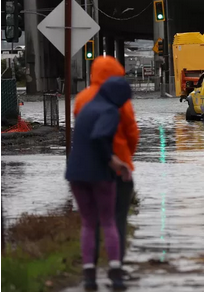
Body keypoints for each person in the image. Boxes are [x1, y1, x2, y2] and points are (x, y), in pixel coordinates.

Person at [74, 56, 139, 279]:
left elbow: (81, 133)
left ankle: (90, 270)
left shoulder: (82, 99)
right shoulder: (120, 101)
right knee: (117, 218)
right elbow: (132, 133)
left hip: (87, 167)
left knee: (90, 221)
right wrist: (126, 157)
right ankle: (116, 267)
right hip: (116, 167)